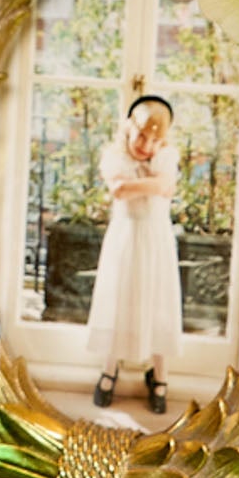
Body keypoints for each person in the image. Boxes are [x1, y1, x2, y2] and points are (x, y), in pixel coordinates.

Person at [85, 94, 183, 414]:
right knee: (119, 298)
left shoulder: (167, 156)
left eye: (156, 140)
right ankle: (109, 368)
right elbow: (119, 190)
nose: (148, 146)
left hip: (156, 236)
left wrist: (146, 183)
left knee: (158, 303)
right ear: (129, 127)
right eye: (142, 135)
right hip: (126, 235)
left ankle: (160, 373)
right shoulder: (114, 157)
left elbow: (167, 186)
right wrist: (150, 183)